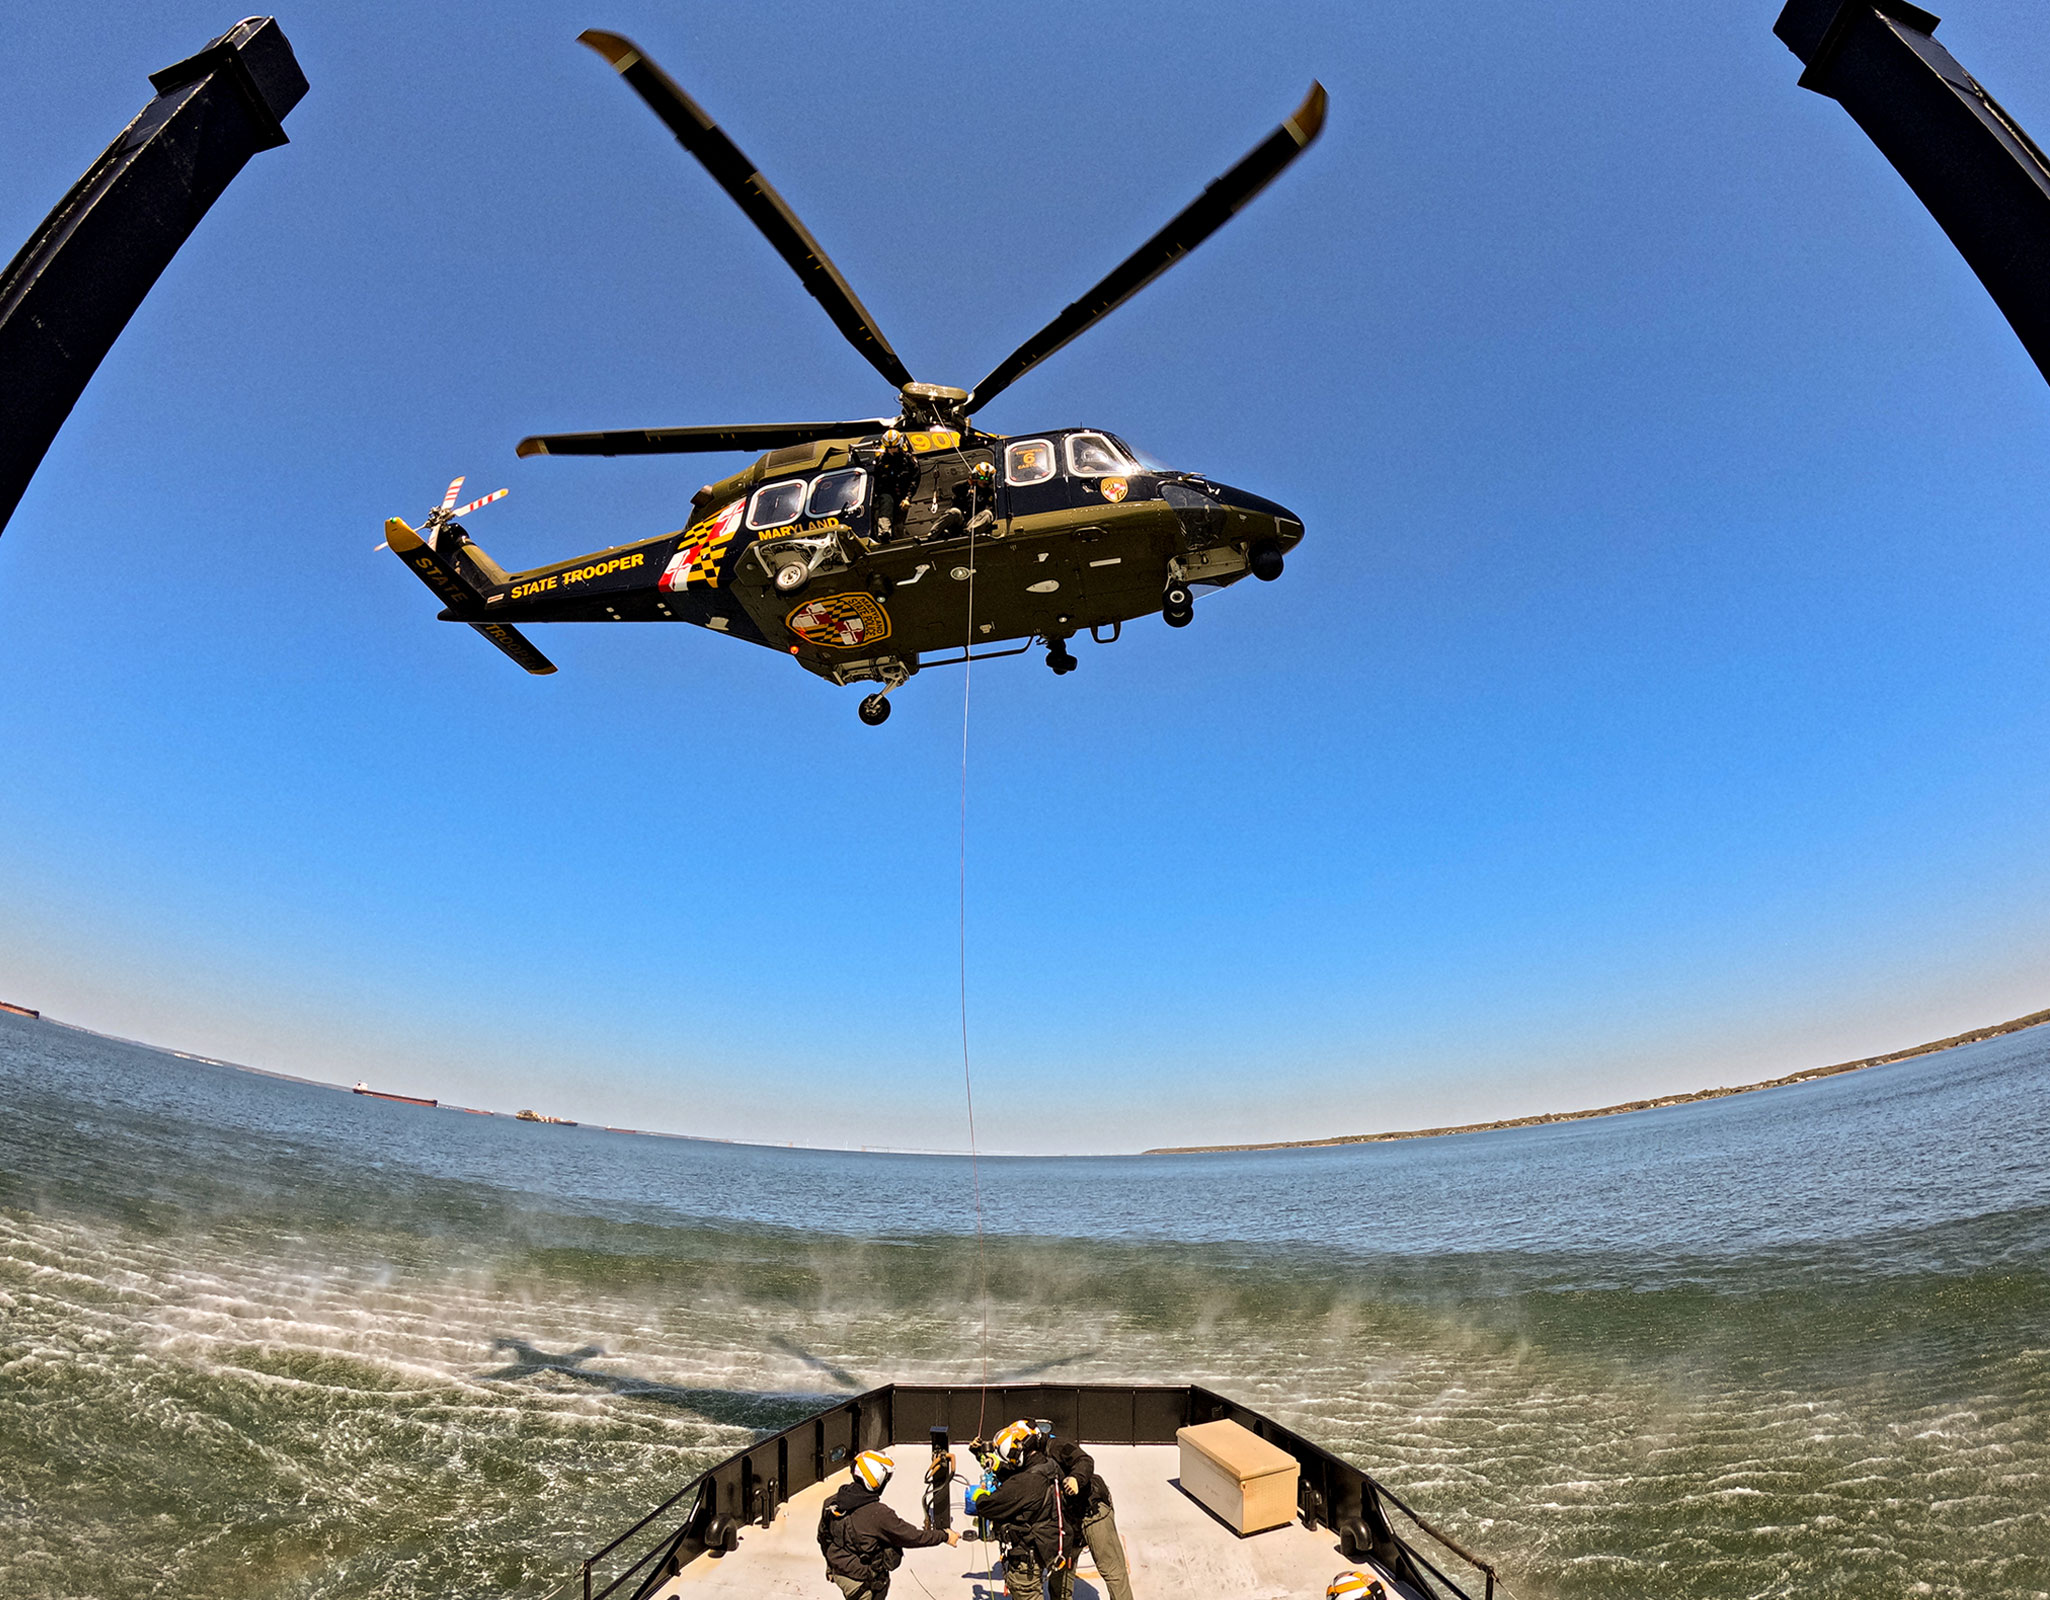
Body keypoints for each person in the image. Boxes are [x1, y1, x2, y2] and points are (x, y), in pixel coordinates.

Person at [818, 1450, 960, 1600]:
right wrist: (944, 1536)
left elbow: (823, 1537)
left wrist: (832, 1567)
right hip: (864, 1584)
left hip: (841, 1574)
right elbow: (913, 1537)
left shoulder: (832, 1502)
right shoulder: (879, 1515)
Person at [966, 1421, 1067, 1600]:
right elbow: (1019, 1476)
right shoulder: (1049, 1466)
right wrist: (994, 1465)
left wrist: (979, 1496)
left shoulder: (1025, 1483)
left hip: (1027, 1561)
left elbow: (989, 1505)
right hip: (1048, 1544)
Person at [1043, 1432, 1133, 1600]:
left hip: (1093, 1513)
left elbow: (1084, 1461)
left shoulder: (1058, 1447)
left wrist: (1075, 1479)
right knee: (1059, 1576)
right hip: (1065, 1522)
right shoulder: (1028, 1463)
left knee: (1113, 1570)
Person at [869, 430, 919, 544]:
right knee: (886, 501)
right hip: (886, 494)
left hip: (902, 496)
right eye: (889, 448)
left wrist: (908, 498)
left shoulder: (909, 460)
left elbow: (914, 480)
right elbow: (875, 480)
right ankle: (884, 533)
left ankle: (898, 541)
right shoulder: (881, 461)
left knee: (899, 523)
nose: (892, 450)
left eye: (894, 447)